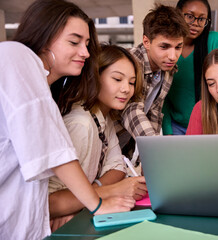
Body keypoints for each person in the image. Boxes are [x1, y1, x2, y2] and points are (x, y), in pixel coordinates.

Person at [0, 0, 134, 239]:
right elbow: (54, 150)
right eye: (74, 42)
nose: (85, 52)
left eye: (86, 44)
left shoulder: (47, 90)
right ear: (43, 35)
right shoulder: (15, 54)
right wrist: (97, 203)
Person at [48, 45, 147, 231]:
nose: (126, 89)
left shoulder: (103, 117)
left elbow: (117, 168)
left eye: (132, 82)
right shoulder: (81, 123)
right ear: (94, 78)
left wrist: (93, 189)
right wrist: (114, 190)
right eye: (117, 79)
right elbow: (50, 202)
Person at [115, 4, 189, 162]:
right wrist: (156, 151)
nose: (173, 56)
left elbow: (154, 114)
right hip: (104, 138)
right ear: (146, 42)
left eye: (178, 47)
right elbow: (131, 109)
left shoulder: (168, 70)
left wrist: (145, 161)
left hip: (126, 144)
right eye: (164, 46)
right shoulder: (130, 62)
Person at [162, 0, 218, 135]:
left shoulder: (214, 40)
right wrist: (168, 132)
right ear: (178, 14)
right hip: (177, 127)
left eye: (201, 19)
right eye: (190, 16)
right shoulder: (168, 49)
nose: (196, 23)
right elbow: (163, 97)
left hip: (211, 124)